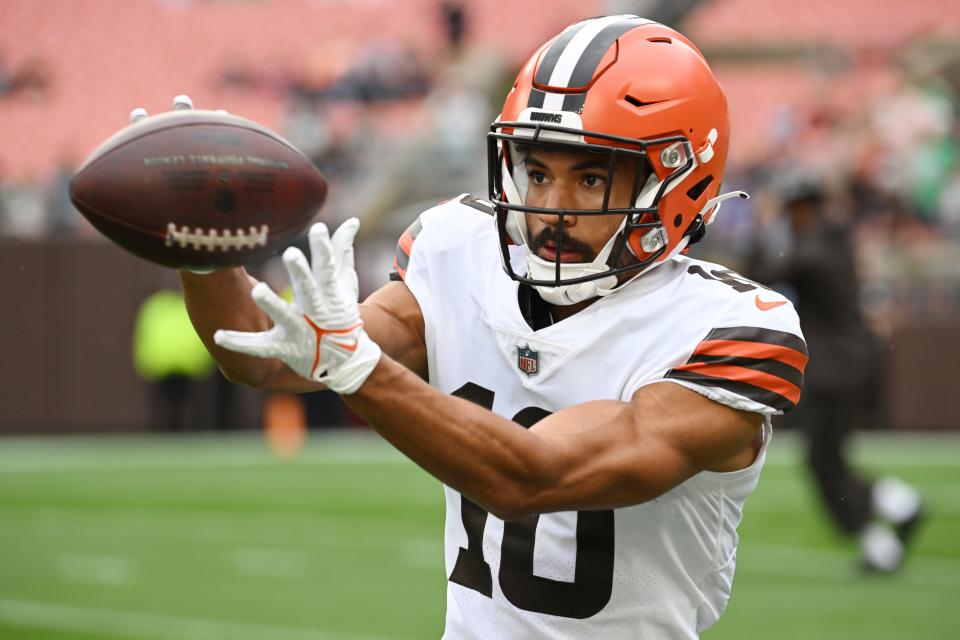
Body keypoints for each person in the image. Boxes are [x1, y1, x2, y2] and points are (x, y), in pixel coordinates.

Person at [160, 16, 806, 638]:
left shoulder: (725, 327)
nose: (552, 208)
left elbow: (532, 477)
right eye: (537, 171)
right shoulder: (460, 250)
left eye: (590, 177)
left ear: (677, 182)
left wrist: (354, 365)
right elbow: (262, 354)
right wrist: (197, 243)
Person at [746, 176, 924, 573]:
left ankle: (897, 511)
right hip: (845, 367)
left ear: (800, 209)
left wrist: (766, 230)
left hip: (833, 372)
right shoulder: (832, 241)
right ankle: (893, 517)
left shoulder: (815, 249)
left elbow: (761, 273)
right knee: (827, 460)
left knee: (823, 461)